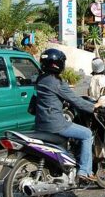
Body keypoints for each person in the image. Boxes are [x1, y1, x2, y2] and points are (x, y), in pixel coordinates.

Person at [35, 48, 98, 183]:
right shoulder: (56, 82)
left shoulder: (40, 80)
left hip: (40, 124)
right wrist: (94, 107)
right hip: (56, 124)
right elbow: (75, 100)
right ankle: (84, 171)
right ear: (59, 64)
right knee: (87, 133)